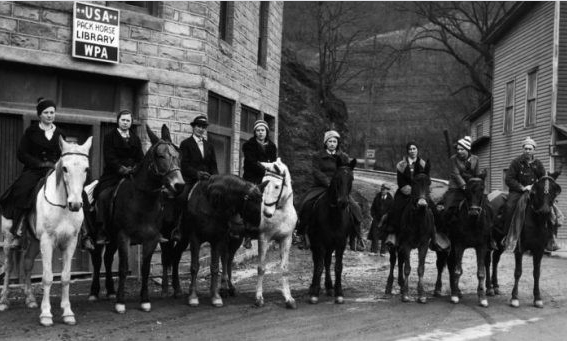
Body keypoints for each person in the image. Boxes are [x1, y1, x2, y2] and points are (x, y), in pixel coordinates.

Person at [0, 98, 64, 248]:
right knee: (21, 191)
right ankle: (18, 229)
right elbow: (21, 153)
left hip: (55, 170)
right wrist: (39, 163)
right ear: (39, 115)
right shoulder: (31, 131)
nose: (49, 115)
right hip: (35, 170)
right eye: (46, 113)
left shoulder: (60, 133)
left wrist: (58, 164)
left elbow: (65, 152)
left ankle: (86, 232)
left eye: (52, 112)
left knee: (77, 192)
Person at [296, 130, 363, 250]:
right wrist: (328, 182)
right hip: (321, 186)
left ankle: (358, 237)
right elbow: (316, 171)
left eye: (334, 141)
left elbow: (347, 172)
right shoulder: (317, 156)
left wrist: (341, 184)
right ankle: (301, 234)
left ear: (338, 143)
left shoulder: (344, 156)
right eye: (330, 141)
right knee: (305, 203)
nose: (332, 143)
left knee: (355, 208)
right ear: (325, 143)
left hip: (339, 188)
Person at [383, 141, 447, 250]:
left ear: (417, 150)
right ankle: (392, 235)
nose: (412, 151)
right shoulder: (401, 165)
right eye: (410, 149)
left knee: (434, 210)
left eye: (414, 149)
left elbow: (427, 179)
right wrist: (412, 191)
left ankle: (437, 236)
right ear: (407, 151)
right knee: (395, 209)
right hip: (405, 192)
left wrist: (421, 191)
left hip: (421, 192)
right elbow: (401, 182)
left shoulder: (423, 164)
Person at [93, 109, 144, 244]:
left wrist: (135, 169)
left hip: (132, 175)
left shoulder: (135, 138)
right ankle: (102, 230)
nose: (125, 123)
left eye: (128, 120)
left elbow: (140, 158)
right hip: (113, 175)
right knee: (102, 196)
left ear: (131, 122)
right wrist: (121, 169)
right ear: (118, 121)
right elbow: (109, 157)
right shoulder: (110, 136)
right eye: (123, 120)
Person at [503, 136, 560, 251]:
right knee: (509, 207)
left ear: (534, 150)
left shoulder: (538, 164)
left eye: (530, 149)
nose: (527, 151)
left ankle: (551, 239)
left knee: (551, 210)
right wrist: (522, 187)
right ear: (522, 149)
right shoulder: (516, 162)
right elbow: (509, 179)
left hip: (534, 192)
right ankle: (507, 237)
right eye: (526, 148)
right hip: (518, 192)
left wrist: (541, 189)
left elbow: (543, 179)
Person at [241, 119, 277, 248]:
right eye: (258, 130)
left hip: (267, 178)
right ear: (255, 132)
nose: (260, 133)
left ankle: (275, 230)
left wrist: (271, 171)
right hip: (252, 177)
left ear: (266, 132)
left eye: (262, 130)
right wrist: (265, 168)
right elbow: (251, 162)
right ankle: (247, 234)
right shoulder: (248, 145)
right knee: (249, 202)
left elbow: (273, 163)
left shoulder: (272, 146)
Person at [179, 114, 218, 187]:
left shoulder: (209, 146)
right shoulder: (185, 144)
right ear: (193, 127)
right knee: (182, 196)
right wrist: (197, 174)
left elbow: (213, 165)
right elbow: (184, 165)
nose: (201, 129)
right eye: (198, 126)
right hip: (191, 180)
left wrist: (215, 178)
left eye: (203, 127)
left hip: (208, 181)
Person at [368, 183, 394, 255]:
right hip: (376, 218)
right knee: (374, 234)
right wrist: (373, 216)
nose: (382, 191)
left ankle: (383, 251)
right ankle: (374, 250)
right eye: (382, 189)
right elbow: (372, 208)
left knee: (385, 235)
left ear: (387, 191)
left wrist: (387, 217)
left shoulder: (391, 200)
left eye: (384, 190)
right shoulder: (377, 197)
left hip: (386, 220)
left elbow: (391, 210)